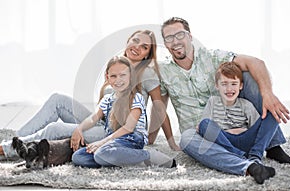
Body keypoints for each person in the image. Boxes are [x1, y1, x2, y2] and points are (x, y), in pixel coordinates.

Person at [0, 29, 179, 161]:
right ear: (128, 41)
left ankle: (7, 149)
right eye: (136, 41)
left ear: (148, 53)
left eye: (144, 47)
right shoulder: (116, 66)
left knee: (55, 129)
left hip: (115, 130)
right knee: (57, 99)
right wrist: (82, 127)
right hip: (100, 120)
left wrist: (169, 141)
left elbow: (159, 107)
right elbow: (102, 108)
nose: (138, 47)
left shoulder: (146, 73)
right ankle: (16, 141)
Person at [156, 17, 290, 182]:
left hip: (237, 128)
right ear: (165, 43)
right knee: (186, 138)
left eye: (180, 35)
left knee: (248, 77)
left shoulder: (212, 57)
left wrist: (267, 94)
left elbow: (256, 62)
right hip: (203, 137)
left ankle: (272, 146)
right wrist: (154, 140)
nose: (175, 41)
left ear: (190, 36)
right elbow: (159, 107)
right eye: (169, 38)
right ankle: (248, 166)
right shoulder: (162, 70)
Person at [72, 56, 175, 168]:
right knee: (78, 157)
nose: (118, 80)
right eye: (113, 76)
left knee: (101, 153)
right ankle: (124, 160)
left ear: (131, 77)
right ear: (107, 78)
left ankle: (148, 155)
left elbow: (129, 128)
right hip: (113, 141)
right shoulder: (107, 99)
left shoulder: (136, 97)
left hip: (132, 139)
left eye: (123, 75)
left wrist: (102, 142)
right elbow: (94, 118)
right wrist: (79, 128)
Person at [197, 61, 290, 183]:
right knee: (205, 124)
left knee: (273, 113)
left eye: (234, 84)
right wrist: (226, 131)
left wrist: (244, 132)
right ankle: (239, 156)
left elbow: (258, 129)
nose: (229, 89)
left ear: (240, 86)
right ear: (217, 86)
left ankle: (255, 155)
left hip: (246, 140)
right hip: (225, 142)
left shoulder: (246, 105)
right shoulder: (212, 102)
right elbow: (203, 126)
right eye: (224, 84)